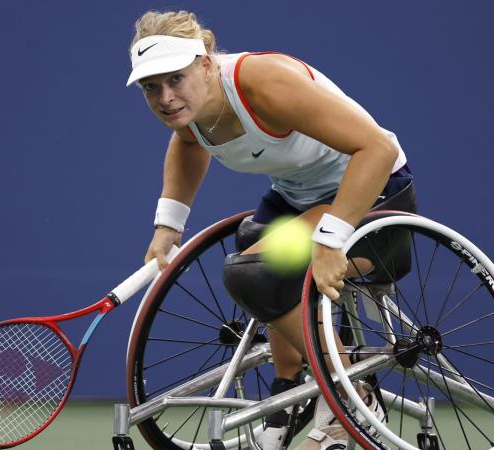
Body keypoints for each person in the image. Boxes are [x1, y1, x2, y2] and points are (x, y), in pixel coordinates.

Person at [128, 10, 416, 450]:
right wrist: (168, 226)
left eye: (175, 80)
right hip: (300, 198)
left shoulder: (263, 83)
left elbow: (378, 147)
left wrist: (332, 238)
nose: (165, 98)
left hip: (375, 199)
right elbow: (190, 142)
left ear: (206, 63)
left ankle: (356, 398)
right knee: (250, 244)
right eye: (152, 87)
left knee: (252, 273)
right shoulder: (194, 109)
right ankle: (288, 398)